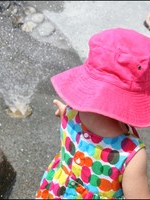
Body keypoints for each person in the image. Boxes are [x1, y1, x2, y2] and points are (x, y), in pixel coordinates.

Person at [36, 28, 150, 199]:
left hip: (57, 192)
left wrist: (64, 112)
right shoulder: (130, 155)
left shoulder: (71, 114)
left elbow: (67, 117)